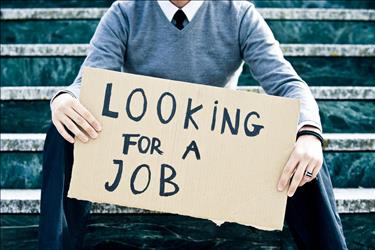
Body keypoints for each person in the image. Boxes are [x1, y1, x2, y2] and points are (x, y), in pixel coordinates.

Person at [39, 1, 348, 249]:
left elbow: (288, 84)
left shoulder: (238, 13)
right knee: (63, 130)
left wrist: (308, 133)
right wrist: (64, 98)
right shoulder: (125, 11)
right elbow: (89, 80)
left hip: (214, 154)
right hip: (146, 154)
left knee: (303, 150)